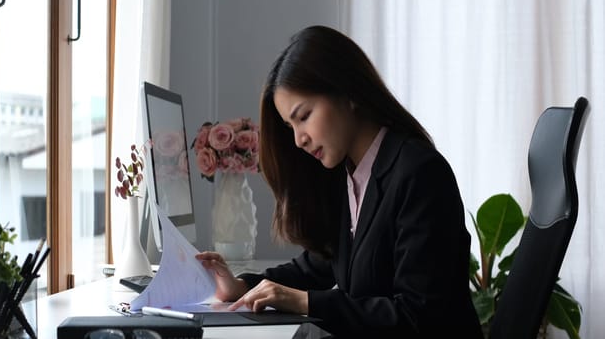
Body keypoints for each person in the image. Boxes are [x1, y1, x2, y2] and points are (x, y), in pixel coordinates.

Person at [196, 26, 483, 338]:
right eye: (290, 125)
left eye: (303, 116)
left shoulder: (420, 174)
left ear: (347, 92)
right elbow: (315, 266)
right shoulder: (348, 175)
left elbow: (418, 316)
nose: (298, 140)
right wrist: (241, 286)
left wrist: (304, 302)